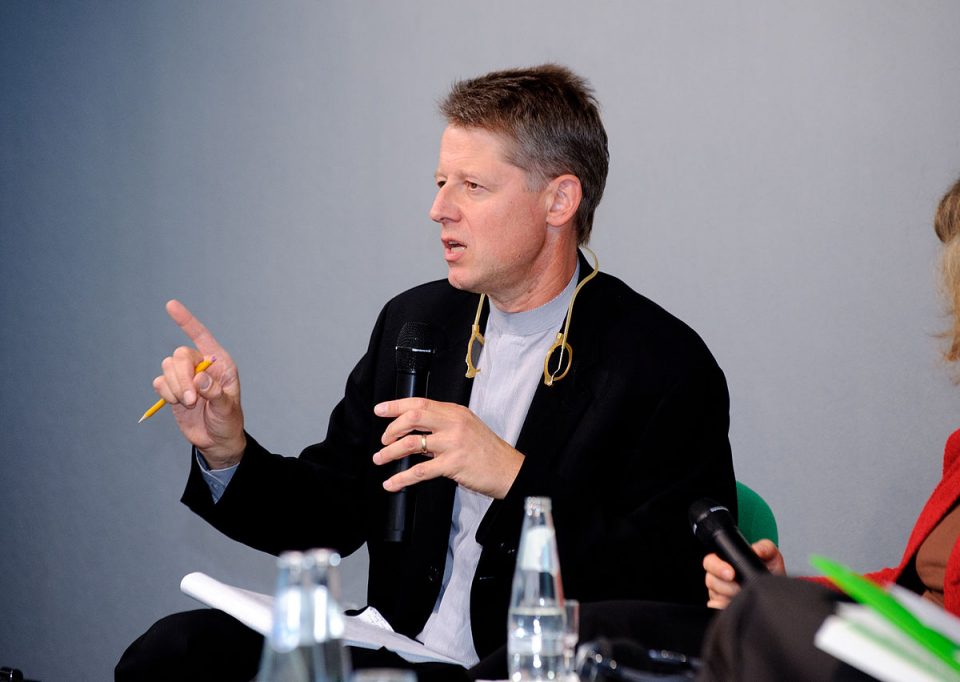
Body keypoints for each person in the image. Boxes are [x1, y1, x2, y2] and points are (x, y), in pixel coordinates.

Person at [116, 64, 735, 681]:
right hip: (391, 642)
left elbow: (672, 583)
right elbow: (330, 512)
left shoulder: (661, 363)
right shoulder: (417, 323)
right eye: (441, 182)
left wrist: (512, 477)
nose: (439, 209)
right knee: (173, 651)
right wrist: (226, 451)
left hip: (524, 664)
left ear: (559, 200)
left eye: (472, 186)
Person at [699, 147, 960, 681]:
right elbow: (908, 588)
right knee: (637, 624)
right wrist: (785, 589)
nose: (948, 283)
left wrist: (887, 638)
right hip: (909, 656)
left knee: (754, 624)